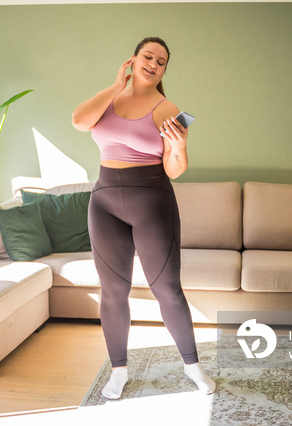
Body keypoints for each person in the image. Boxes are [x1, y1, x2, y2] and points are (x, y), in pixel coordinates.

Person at [72, 37, 216, 399]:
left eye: (161, 61)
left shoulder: (167, 108)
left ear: (164, 70)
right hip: (104, 203)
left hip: (151, 202)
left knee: (166, 288)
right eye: (148, 56)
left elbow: (175, 169)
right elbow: (78, 121)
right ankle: (118, 372)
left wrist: (180, 146)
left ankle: (193, 368)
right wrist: (115, 85)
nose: (153, 63)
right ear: (133, 60)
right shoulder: (110, 99)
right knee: (113, 291)